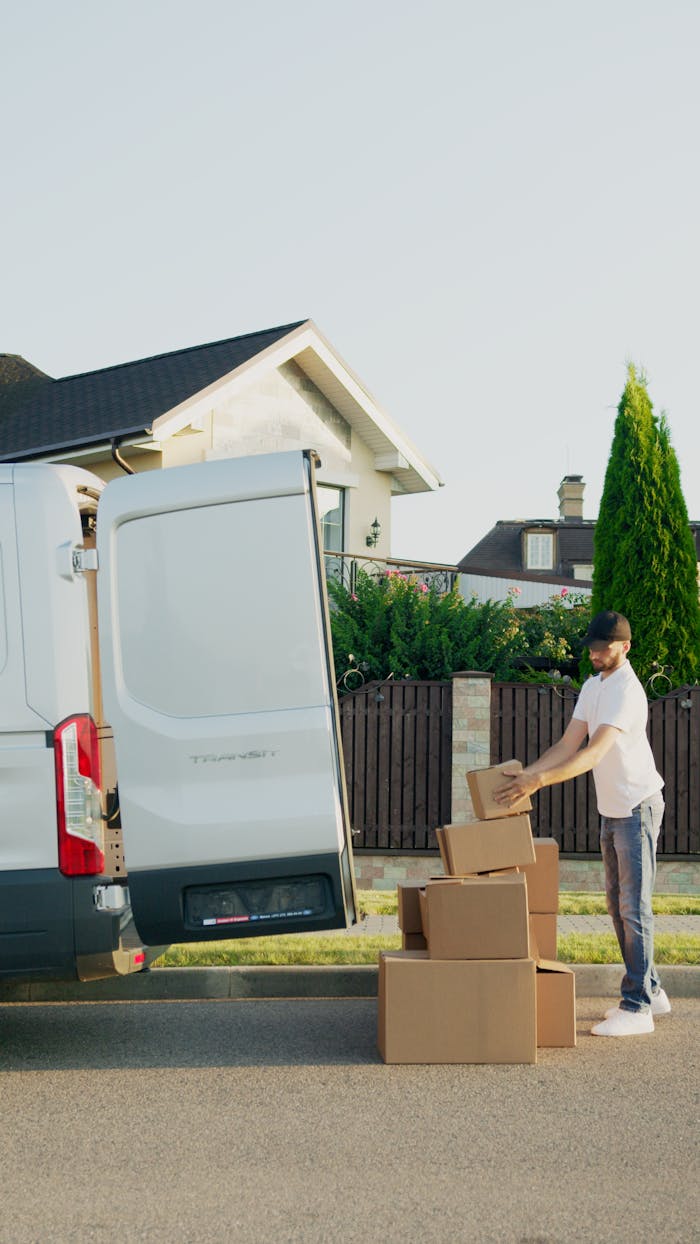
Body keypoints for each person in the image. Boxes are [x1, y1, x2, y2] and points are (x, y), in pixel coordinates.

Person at [494, 609, 669, 1037]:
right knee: (617, 904)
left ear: (624, 647)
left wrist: (540, 781)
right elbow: (569, 743)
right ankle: (653, 989)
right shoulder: (594, 686)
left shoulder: (627, 691)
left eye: (602, 648)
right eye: (591, 647)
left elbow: (593, 754)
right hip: (613, 809)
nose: (593, 654)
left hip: (637, 806)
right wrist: (529, 775)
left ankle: (638, 1006)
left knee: (633, 906)